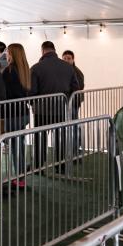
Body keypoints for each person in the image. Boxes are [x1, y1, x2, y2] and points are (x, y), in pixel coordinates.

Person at [30, 41, 79, 172]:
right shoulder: (68, 67)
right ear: (54, 50)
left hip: (41, 110)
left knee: (40, 138)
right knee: (60, 138)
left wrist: (32, 104)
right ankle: (61, 166)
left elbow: (32, 91)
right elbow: (76, 88)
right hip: (60, 109)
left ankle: (38, 165)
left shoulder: (36, 68)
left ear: (42, 51)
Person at [2, 44, 32, 186]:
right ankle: (21, 175)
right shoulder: (25, 69)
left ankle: (19, 177)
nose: (6, 54)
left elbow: (5, 93)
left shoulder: (9, 71)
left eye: (7, 52)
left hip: (12, 114)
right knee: (19, 143)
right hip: (23, 113)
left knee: (14, 145)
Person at [61, 50, 85, 119]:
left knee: (73, 119)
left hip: (74, 101)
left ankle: (76, 130)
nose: (66, 60)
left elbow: (80, 86)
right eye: (64, 58)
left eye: (69, 58)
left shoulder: (77, 72)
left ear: (73, 59)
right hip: (66, 100)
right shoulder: (63, 70)